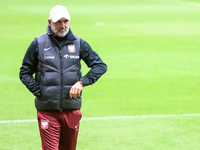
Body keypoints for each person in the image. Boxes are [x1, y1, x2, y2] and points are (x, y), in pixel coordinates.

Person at [19, 5, 107, 150]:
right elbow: (24, 72)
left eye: (66, 21)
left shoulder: (79, 43)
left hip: (72, 109)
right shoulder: (38, 43)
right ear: (49, 22)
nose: (63, 25)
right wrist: (39, 91)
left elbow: (100, 66)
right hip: (47, 111)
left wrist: (82, 82)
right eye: (58, 22)